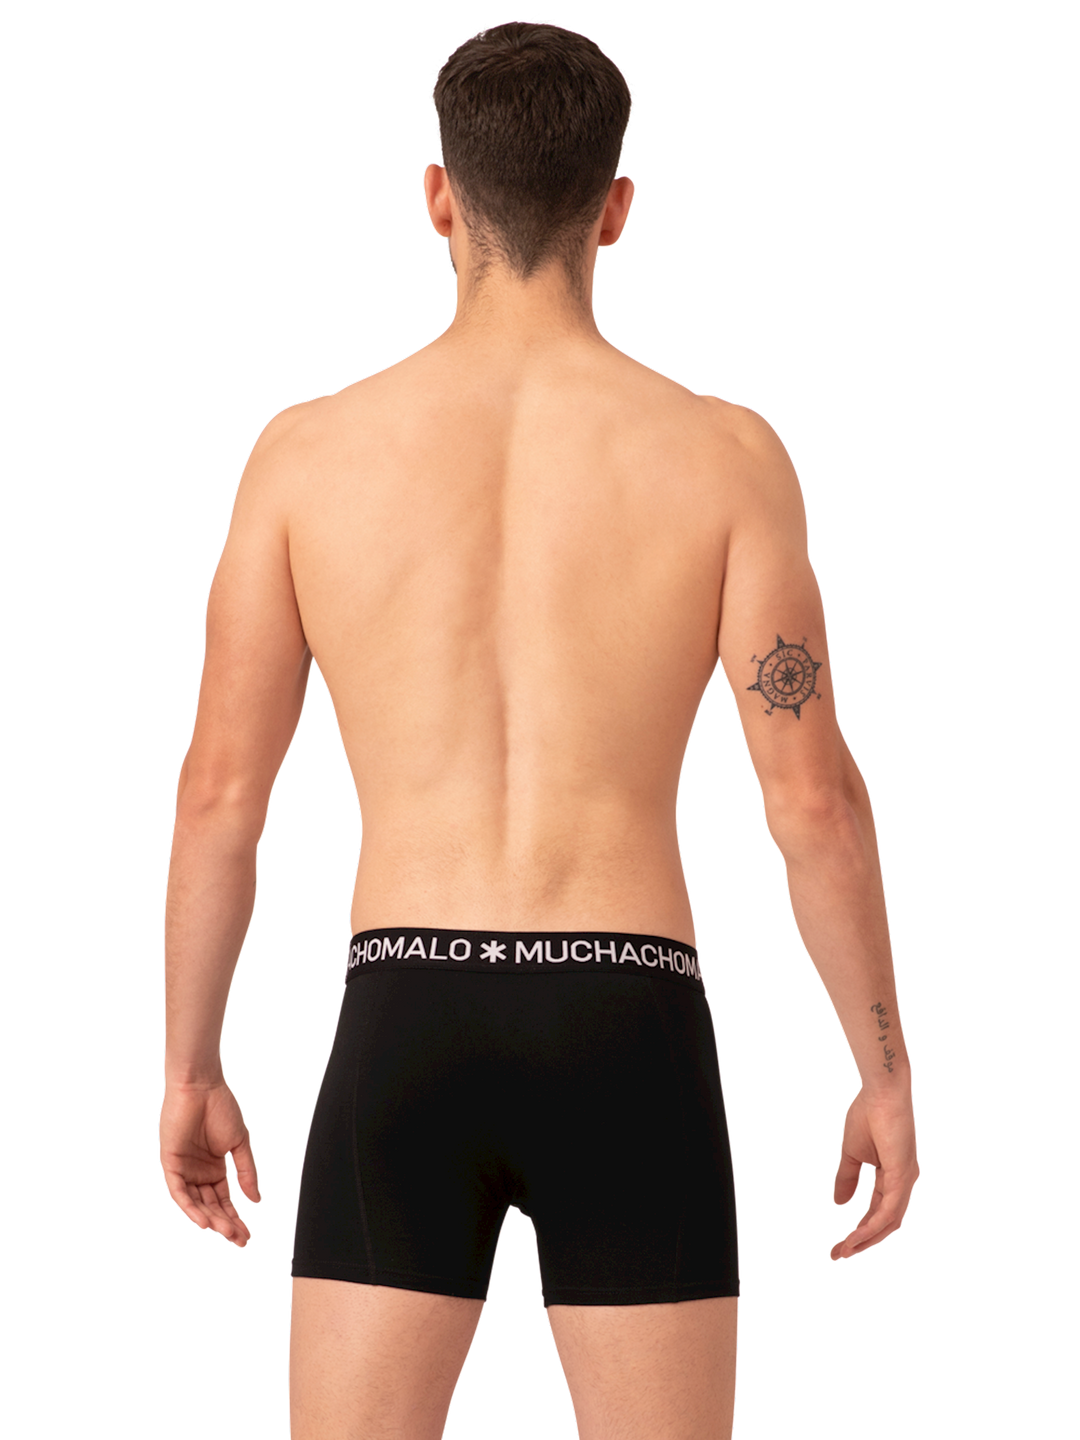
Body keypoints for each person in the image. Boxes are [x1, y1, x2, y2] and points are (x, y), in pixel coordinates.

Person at [158, 19, 921, 1439]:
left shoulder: (306, 454)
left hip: (404, 1012)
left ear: (439, 196)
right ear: (617, 207)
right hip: (628, 1014)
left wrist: (191, 1072)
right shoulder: (725, 453)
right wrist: (884, 1071)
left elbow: (220, 796)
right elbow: (813, 801)